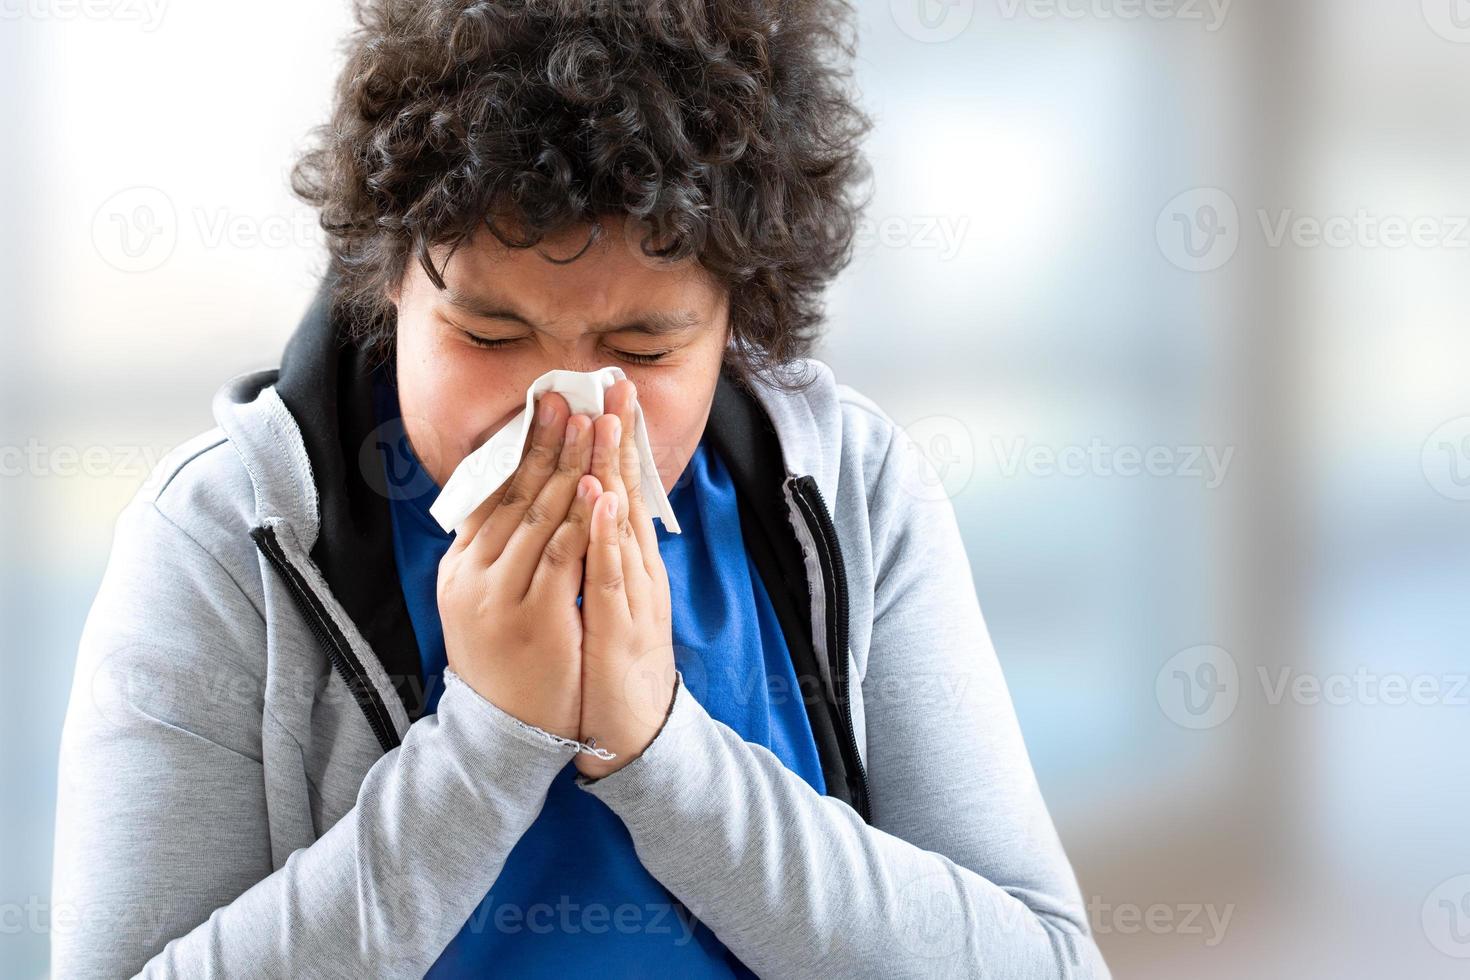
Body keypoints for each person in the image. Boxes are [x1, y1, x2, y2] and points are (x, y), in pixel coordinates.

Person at [51, 1, 1110, 976]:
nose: (556, 413)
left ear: (739, 321)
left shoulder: (851, 492)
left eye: (644, 347)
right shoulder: (226, 538)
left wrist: (661, 751)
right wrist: (489, 744)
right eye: (489, 333)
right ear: (389, 273)